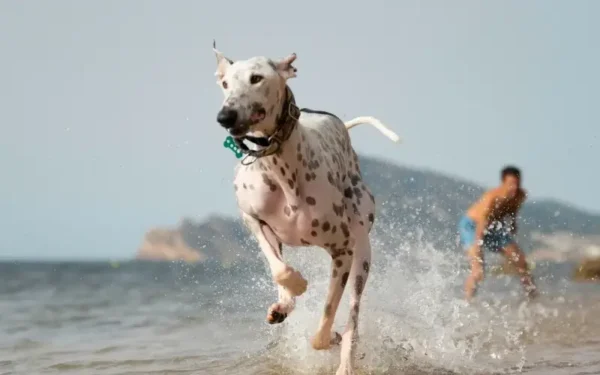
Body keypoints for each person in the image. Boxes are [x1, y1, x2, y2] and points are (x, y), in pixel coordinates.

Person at [458, 166, 537, 301]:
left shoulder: (520, 195)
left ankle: (533, 299)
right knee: (478, 270)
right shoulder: (492, 197)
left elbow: (513, 209)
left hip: (493, 227)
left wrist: (513, 223)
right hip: (472, 226)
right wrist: (477, 247)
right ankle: (467, 301)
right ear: (503, 183)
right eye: (510, 184)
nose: (514, 188)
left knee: (520, 260)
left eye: (517, 184)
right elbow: (482, 223)